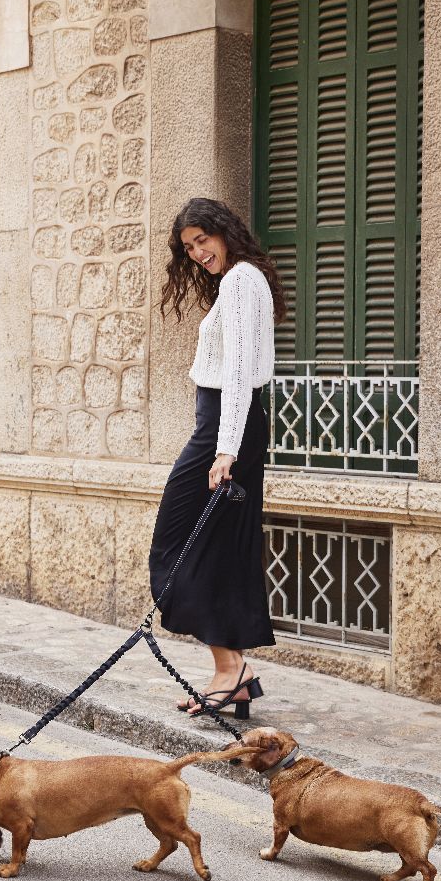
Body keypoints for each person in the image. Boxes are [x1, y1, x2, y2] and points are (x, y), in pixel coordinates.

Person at [148, 197, 286, 718]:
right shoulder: (240, 280)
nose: (198, 252)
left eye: (203, 239)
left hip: (227, 428)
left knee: (175, 544)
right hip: (224, 425)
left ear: (224, 231)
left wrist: (225, 447)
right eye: (189, 248)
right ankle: (232, 672)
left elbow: (236, 373)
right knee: (212, 548)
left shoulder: (241, 280)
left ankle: (232, 671)